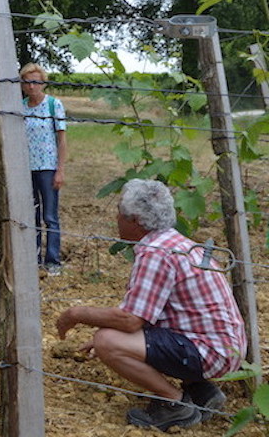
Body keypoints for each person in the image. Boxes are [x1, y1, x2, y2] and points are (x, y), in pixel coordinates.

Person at [56, 179, 246, 431]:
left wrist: (77, 314)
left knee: (106, 341)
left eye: (119, 214)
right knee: (122, 335)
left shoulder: (155, 252)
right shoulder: (176, 242)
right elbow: (152, 312)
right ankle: (201, 390)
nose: (116, 219)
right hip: (225, 347)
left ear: (134, 220)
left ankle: (174, 405)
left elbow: (131, 320)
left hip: (210, 352)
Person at [20, 62, 67, 276]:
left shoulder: (53, 105)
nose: (32, 87)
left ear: (43, 83)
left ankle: (53, 260)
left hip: (47, 167)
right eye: (28, 82)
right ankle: (34, 257)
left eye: (36, 82)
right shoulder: (20, 107)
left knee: (50, 215)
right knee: (32, 214)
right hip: (26, 169)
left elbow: (61, 140)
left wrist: (60, 170)